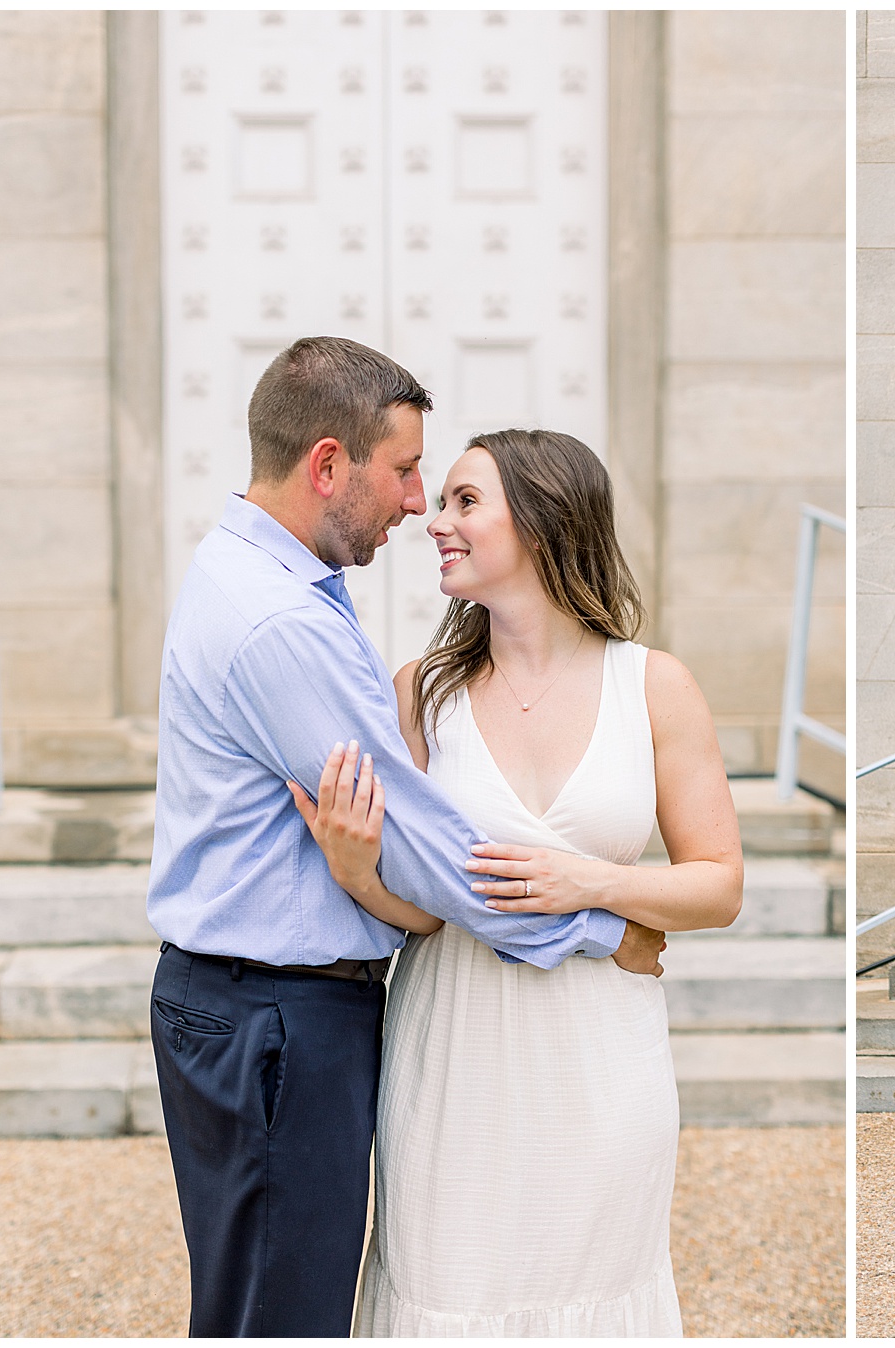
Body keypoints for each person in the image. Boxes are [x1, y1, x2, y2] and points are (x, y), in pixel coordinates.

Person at [146, 337, 667, 1337]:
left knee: (265, 1307)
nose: (417, 503)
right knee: (281, 1319)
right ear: (328, 465)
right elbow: (421, 844)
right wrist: (601, 928)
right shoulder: (278, 620)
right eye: (406, 470)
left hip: (266, 1009)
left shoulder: (272, 580)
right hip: (274, 1016)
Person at [296, 427, 742, 1334]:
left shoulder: (654, 687)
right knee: (447, 1285)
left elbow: (719, 886)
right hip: (453, 1053)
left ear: (542, 522)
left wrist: (592, 885)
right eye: (441, 501)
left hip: (602, 1057)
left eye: (466, 502)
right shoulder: (422, 692)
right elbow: (425, 913)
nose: (435, 521)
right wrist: (354, 870)